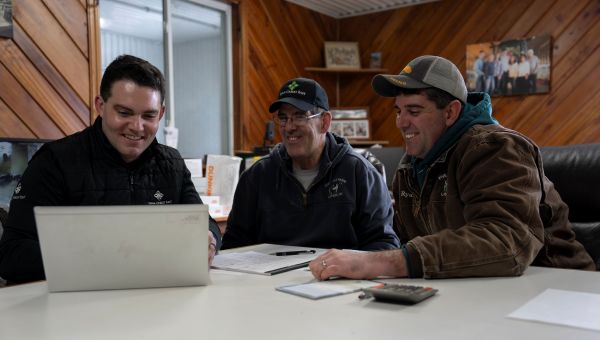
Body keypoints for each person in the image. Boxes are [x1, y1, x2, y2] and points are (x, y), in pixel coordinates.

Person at [309, 55, 594, 280]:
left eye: (414, 111)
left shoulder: (496, 148)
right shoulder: (412, 165)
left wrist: (380, 263)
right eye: (399, 110)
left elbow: (506, 243)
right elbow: (405, 238)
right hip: (477, 292)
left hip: (556, 291)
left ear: (451, 112)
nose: (400, 122)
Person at [0, 55, 221, 285]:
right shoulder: (55, 161)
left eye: (149, 115)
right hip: (75, 306)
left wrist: (210, 240)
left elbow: (206, 223)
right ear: (100, 106)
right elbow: (12, 255)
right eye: (124, 113)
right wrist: (99, 261)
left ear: (161, 114)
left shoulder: (171, 164)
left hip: (155, 302)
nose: (137, 127)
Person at [221, 77, 399, 251]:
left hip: (338, 278)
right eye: (283, 118)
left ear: (325, 122)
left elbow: (383, 243)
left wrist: (351, 267)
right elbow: (235, 244)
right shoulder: (257, 176)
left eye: (299, 116)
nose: (289, 127)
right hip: (272, 278)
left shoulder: (359, 172)